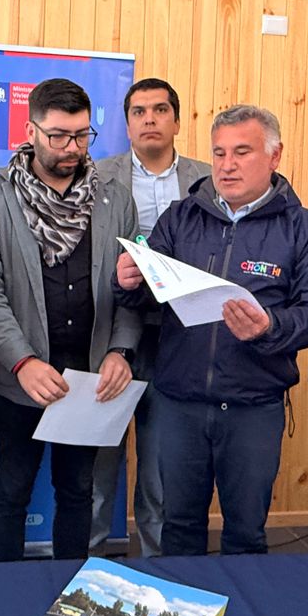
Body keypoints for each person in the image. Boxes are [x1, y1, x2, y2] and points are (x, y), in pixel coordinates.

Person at [116, 104, 308, 556]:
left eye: (242, 152)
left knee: (245, 532)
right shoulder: (181, 218)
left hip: (252, 406)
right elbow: (151, 294)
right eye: (219, 153)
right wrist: (127, 283)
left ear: (274, 156)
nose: (227, 165)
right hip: (179, 404)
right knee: (178, 527)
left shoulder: (306, 230)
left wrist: (271, 326)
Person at [0, 78, 141, 562]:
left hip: (90, 379)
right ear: (31, 130)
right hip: (22, 379)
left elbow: (133, 285)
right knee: (12, 494)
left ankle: (67, 594)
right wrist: (21, 361)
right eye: (59, 135)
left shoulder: (116, 200)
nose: (72, 148)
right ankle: (2, 594)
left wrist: (121, 351)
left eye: (83, 136)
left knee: (78, 492)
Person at [90, 77, 211, 556]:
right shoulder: (98, 175)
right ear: (127, 123)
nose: (150, 120)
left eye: (160, 110)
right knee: (100, 462)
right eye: (139, 112)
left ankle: (160, 572)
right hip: (110, 334)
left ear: (177, 121)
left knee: (160, 467)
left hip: (179, 337)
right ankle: (88, 561)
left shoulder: (206, 178)